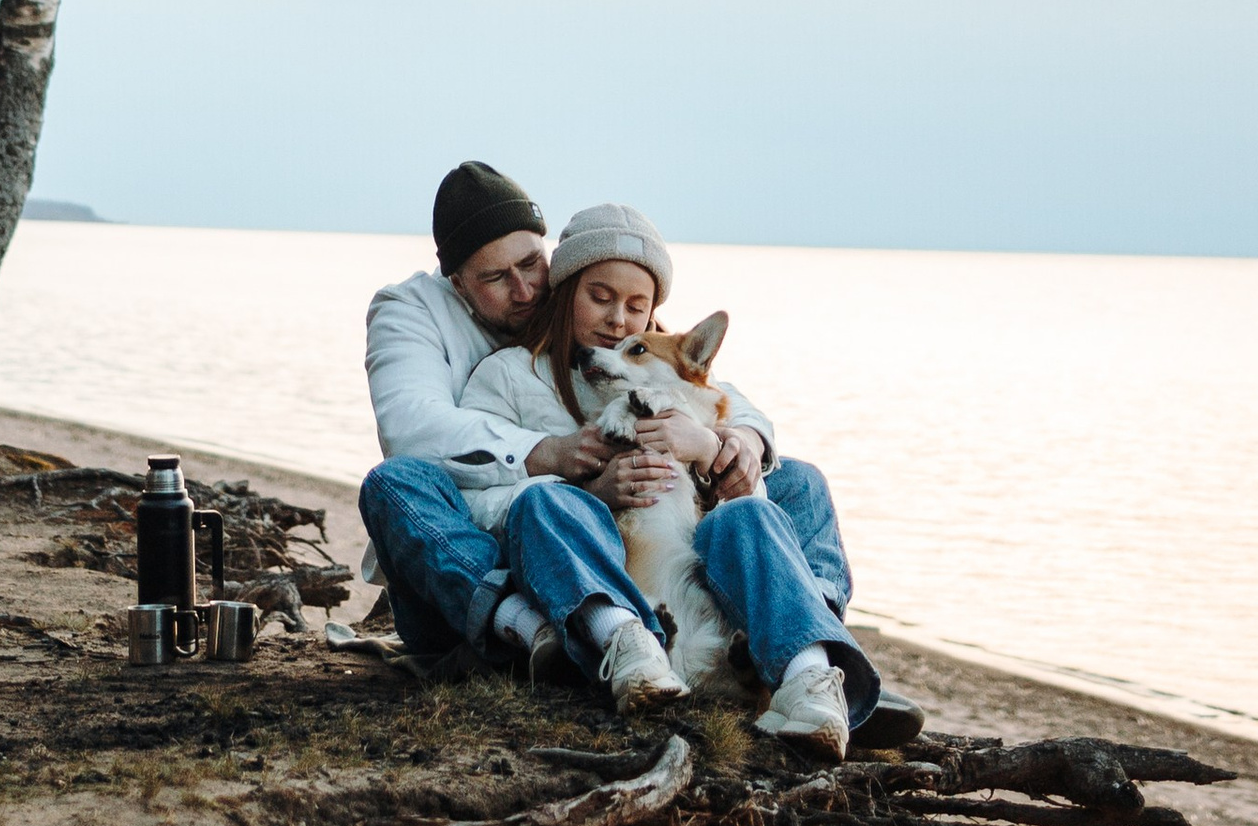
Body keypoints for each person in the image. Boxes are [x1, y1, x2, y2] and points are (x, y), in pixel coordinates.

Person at [358, 166, 920, 752]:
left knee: (797, 481)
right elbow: (413, 432)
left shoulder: (622, 349)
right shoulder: (438, 332)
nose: (525, 291)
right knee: (413, 486)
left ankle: (812, 656)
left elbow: (701, 385)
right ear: (457, 281)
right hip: (515, 552)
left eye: (532, 266)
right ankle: (545, 633)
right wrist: (560, 465)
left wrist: (730, 443)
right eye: (497, 278)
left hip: (625, 545)